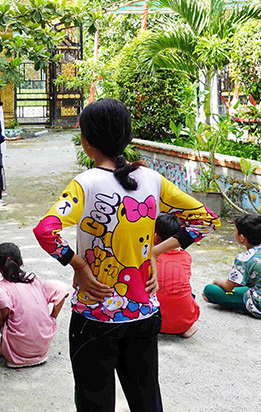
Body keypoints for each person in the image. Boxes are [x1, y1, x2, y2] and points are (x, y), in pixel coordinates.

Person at [33, 98, 220, 412]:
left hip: (95, 315)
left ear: (86, 142)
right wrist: (153, 256)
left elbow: (45, 230)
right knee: (147, 400)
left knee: (95, 402)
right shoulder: (152, 179)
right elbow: (206, 220)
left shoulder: (84, 184)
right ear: (127, 137)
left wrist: (77, 263)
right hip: (145, 314)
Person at [203, 213, 261, 321]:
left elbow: (228, 287)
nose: (234, 234)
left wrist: (217, 281)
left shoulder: (243, 258)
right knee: (248, 287)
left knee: (210, 290)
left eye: (235, 231)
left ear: (242, 238)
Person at [0, 242, 69, 368]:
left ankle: (10, 348)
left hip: (16, 356)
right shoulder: (35, 281)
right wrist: (52, 318)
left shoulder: (0, 288)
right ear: (21, 262)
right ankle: (31, 349)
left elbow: (2, 301)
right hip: (42, 350)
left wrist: (1, 317)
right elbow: (61, 293)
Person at [153, 213, 200, 338]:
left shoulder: (148, 256)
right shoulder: (185, 256)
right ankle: (185, 327)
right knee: (188, 290)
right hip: (183, 323)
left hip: (153, 321)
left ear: (156, 236)